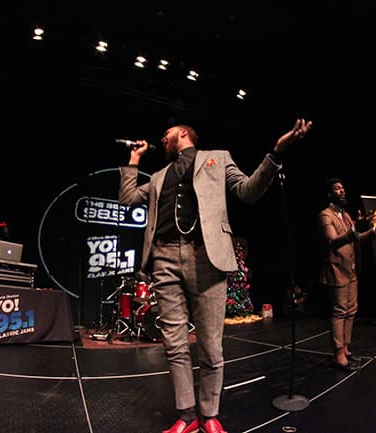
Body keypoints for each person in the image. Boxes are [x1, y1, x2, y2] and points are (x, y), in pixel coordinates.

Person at [118, 118, 313, 433]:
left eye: (167, 133)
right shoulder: (157, 177)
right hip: (164, 257)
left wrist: (276, 152)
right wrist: (133, 159)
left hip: (206, 256)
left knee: (210, 345)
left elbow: (248, 191)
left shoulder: (218, 158)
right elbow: (127, 198)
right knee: (175, 344)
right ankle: (187, 416)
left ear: (183, 133)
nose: (162, 138)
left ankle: (209, 414)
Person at [317, 177, 376, 371]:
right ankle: (338, 354)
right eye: (337, 188)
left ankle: (345, 349)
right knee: (339, 311)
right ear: (329, 193)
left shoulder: (345, 215)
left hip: (351, 269)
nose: (342, 191)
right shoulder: (325, 215)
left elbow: (354, 238)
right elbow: (333, 241)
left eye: (343, 188)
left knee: (351, 310)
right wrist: (356, 229)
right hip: (337, 269)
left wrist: (372, 232)